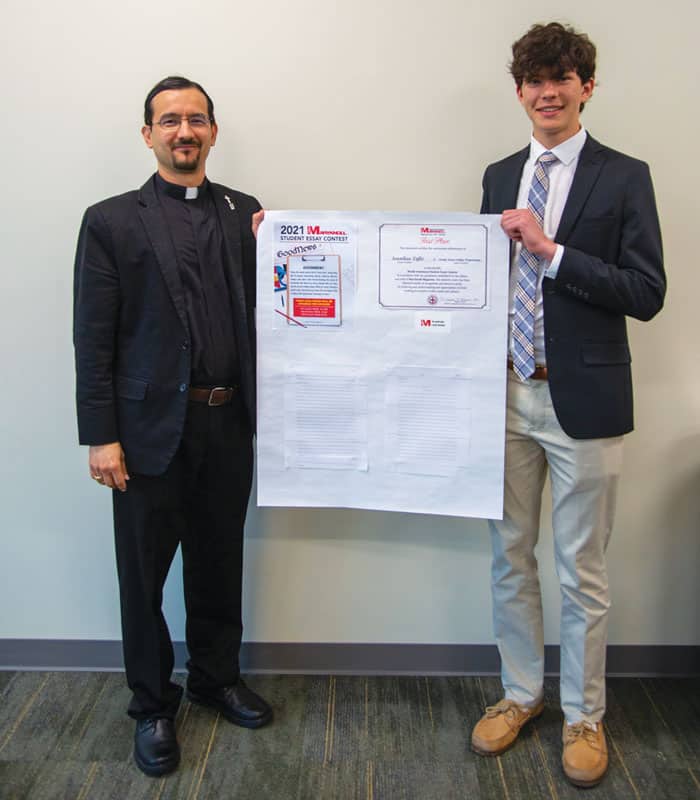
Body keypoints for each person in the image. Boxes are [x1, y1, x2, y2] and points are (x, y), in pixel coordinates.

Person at [471, 23, 665, 787]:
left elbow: (646, 292)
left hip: (582, 400)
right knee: (508, 560)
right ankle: (521, 695)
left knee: (581, 568)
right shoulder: (496, 174)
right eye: (534, 80)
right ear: (519, 90)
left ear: (588, 86)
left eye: (564, 78)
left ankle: (585, 715)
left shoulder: (624, 176)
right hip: (503, 397)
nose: (548, 92)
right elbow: (473, 280)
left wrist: (552, 253)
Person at [73, 76, 271, 777]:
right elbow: (93, 339)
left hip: (227, 425)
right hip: (147, 432)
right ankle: (154, 705)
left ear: (214, 132)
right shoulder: (111, 220)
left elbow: (276, 309)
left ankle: (215, 679)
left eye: (196, 120)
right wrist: (101, 435)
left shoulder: (245, 213)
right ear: (148, 133)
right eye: (169, 120)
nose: (183, 131)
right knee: (144, 577)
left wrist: (286, 244)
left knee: (220, 563)